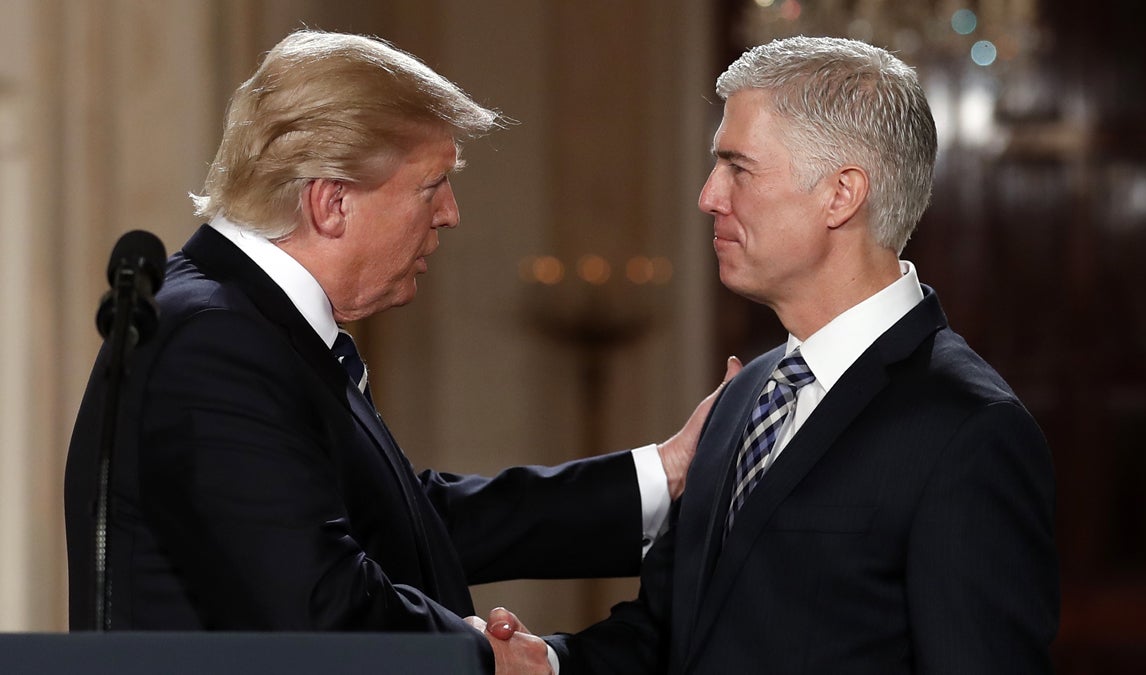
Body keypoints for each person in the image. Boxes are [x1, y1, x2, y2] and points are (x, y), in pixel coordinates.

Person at [63, 29, 739, 672]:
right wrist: (487, 657)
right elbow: (318, 610)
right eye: (430, 185)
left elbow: (406, 519)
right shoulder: (214, 343)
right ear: (331, 203)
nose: (450, 212)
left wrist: (666, 473)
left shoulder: (246, 322)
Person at [483, 35, 1059, 674]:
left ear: (841, 194)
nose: (708, 195)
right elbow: (670, 636)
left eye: (738, 167)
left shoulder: (969, 429)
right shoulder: (744, 395)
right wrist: (551, 666)